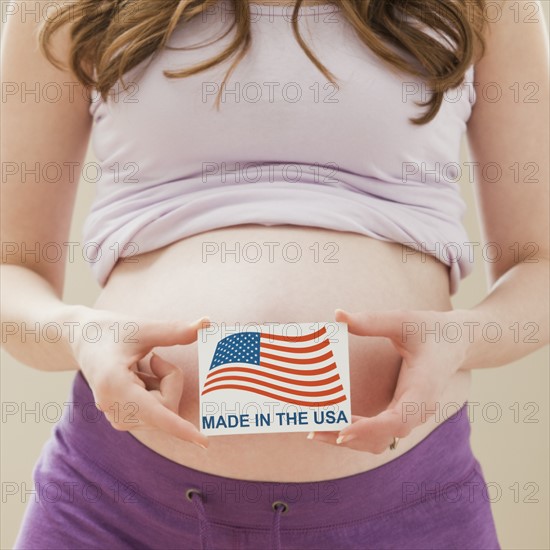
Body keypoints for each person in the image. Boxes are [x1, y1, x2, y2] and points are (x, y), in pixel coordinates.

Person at [2, 0, 548, 548]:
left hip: (406, 512)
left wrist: (461, 338)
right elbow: (10, 270)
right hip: (117, 510)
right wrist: (80, 333)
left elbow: (541, 267)